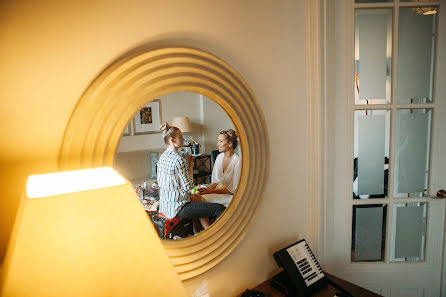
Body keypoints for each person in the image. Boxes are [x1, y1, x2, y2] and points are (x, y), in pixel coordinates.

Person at [157, 122, 226, 230]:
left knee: (199, 201)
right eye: (180, 137)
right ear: (172, 140)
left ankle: (198, 232)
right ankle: (218, 238)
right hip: (178, 208)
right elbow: (189, 188)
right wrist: (190, 166)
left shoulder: (162, 157)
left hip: (166, 206)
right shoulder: (179, 159)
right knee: (220, 209)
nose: (183, 139)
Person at [199, 129, 241, 196]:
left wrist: (211, 191)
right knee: (196, 196)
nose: (217, 144)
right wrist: (206, 189)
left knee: (197, 199)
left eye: (221, 141)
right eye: (218, 141)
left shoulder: (237, 161)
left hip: (230, 196)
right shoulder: (219, 157)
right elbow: (215, 181)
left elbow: (234, 190)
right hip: (217, 192)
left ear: (230, 143)